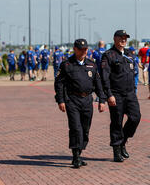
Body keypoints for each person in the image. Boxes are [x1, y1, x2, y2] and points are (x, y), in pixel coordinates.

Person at [54, 39, 106, 168]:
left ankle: (79, 152)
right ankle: (76, 156)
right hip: (72, 100)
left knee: (85, 129)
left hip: (87, 100)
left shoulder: (92, 65)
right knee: (76, 128)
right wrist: (60, 100)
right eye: (81, 49)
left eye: (86, 49)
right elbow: (59, 84)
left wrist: (102, 100)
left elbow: (98, 84)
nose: (84, 51)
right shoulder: (66, 65)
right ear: (75, 49)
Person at [101, 30, 141, 162]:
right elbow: (105, 77)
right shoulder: (108, 55)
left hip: (130, 93)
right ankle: (116, 150)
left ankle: (123, 141)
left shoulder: (129, 54)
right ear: (114, 39)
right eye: (121, 37)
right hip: (116, 94)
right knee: (117, 122)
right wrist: (109, 94)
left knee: (135, 117)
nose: (123, 40)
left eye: (125, 38)